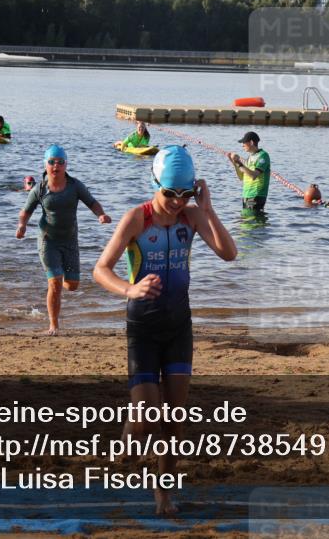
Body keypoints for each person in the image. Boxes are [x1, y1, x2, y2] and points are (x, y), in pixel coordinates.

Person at [92, 145, 237, 515]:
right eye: (170, 193)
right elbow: (101, 269)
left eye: (184, 193)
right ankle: (131, 430)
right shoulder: (136, 219)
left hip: (178, 327)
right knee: (146, 421)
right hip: (142, 327)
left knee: (175, 420)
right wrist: (130, 289)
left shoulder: (191, 216)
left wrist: (206, 209)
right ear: (155, 183)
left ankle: (163, 496)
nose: (176, 202)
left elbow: (228, 253)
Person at [17, 144, 112, 335]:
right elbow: (26, 211)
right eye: (52, 162)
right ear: (46, 165)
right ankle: (54, 326)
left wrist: (100, 215)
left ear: (66, 165)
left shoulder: (75, 186)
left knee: (72, 285)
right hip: (48, 240)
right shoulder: (39, 189)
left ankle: (59, 283)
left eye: (60, 162)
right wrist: (22, 226)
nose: (56, 166)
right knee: (55, 283)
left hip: (70, 240)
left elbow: (92, 202)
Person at [226, 131, 271, 213]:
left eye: (244, 143)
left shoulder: (263, 156)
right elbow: (241, 177)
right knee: (245, 223)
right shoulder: (250, 157)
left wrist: (239, 163)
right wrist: (234, 162)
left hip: (256, 196)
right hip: (246, 195)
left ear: (251, 142)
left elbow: (254, 175)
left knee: (251, 223)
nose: (242, 145)